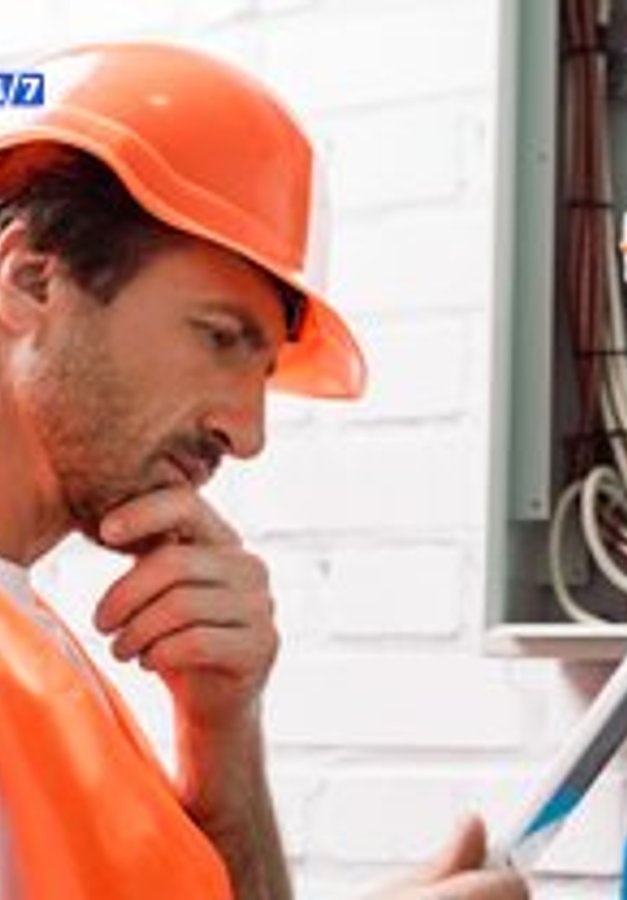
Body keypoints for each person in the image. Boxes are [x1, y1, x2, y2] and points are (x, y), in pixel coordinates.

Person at [0, 41, 528, 900]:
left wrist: (220, 735)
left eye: (263, 371)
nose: (246, 435)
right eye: (218, 336)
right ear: (30, 281)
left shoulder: (40, 655)